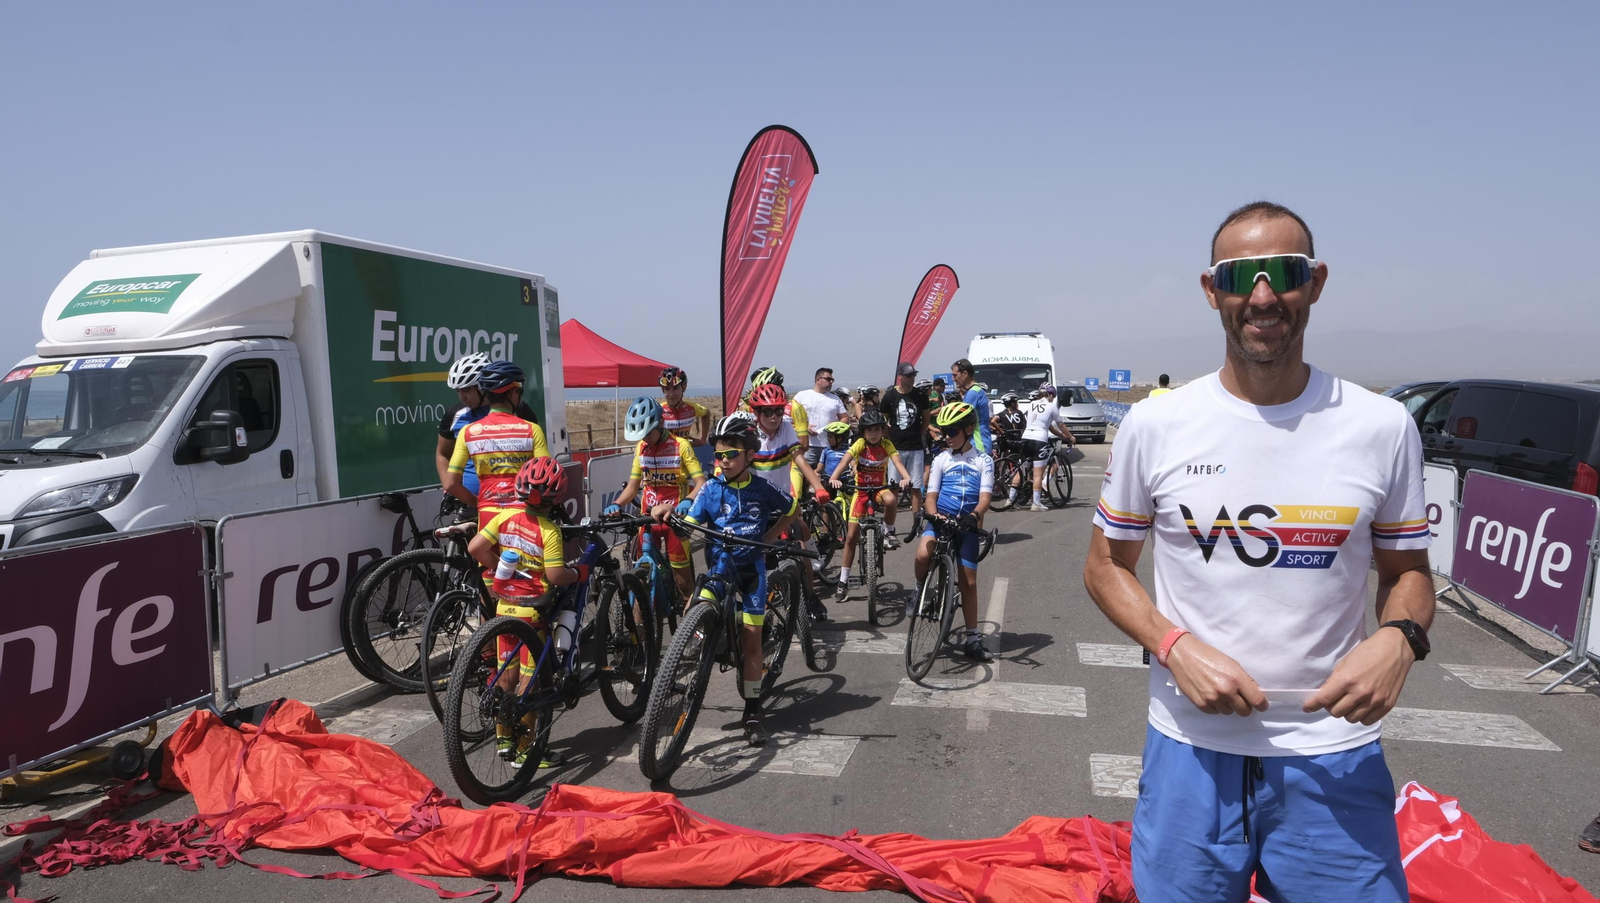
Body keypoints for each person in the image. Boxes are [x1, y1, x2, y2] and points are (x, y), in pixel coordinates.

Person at [1082, 201, 1433, 903]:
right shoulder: (1156, 424)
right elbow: (1104, 566)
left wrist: (1400, 638)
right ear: (1212, 290)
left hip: (1331, 755)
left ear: (1316, 282)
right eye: (1242, 276)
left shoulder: (1383, 426)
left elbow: (1409, 575)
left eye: (1285, 273)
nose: (1264, 296)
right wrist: (1173, 645)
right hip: (1189, 752)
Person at [681, 413, 801, 747]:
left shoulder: (762, 488)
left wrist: (769, 538)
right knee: (696, 605)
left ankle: (752, 712)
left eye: (731, 454)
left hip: (751, 572)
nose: (723, 460)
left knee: (752, 643)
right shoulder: (711, 488)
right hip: (719, 570)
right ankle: (694, 647)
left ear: (749, 454)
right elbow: (690, 525)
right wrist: (676, 521)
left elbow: (792, 509)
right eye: (718, 454)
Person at [467, 457, 580, 766]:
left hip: (504, 609)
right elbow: (556, 575)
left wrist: (504, 569)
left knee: (506, 678)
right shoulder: (550, 530)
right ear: (556, 497)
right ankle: (526, 750)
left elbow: (475, 548)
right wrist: (576, 574)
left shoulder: (505, 516)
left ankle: (504, 739)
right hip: (532, 615)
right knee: (530, 683)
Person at [916, 401, 995, 663]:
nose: (947, 437)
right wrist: (934, 514)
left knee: (969, 584)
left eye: (952, 431)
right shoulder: (941, 459)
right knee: (923, 555)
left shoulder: (984, 461)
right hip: (941, 519)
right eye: (944, 431)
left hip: (967, 525)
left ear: (968, 429)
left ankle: (973, 640)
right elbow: (931, 496)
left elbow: (985, 498)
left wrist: (975, 516)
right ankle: (919, 590)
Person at [605, 397, 706, 601]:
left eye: (648, 433)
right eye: (641, 435)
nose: (645, 439)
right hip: (648, 519)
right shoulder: (640, 448)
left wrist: (688, 500)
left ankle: (692, 617)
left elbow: (701, 483)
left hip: (674, 518)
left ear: (660, 423)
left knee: (683, 584)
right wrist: (617, 503)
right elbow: (633, 487)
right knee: (640, 582)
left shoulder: (681, 446)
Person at [748, 382, 830, 619]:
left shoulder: (786, 427)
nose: (774, 416)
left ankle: (810, 595)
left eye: (778, 410)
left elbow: (799, 459)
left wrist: (818, 487)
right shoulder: (749, 432)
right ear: (757, 412)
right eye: (767, 412)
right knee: (754, 550)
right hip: (756, 504)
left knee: (801, 542)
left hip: (782, 499)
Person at [444, 361, 550, 530]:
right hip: (523, 514)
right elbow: (545, 478)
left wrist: (478, 504)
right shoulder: (532, 429)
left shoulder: (467, 432)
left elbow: (450, 484)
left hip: (486, 512)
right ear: (514, 393)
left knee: (480, 545)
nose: (462, 396)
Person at [827, 408, 912, 593]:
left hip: (880, 489)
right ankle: (843, 581)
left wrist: (906, 477)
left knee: (891, 499)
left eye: (877, 430)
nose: (873, 434)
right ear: (863, 432)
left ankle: (888, 533)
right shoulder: (860, 444)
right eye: (869, 430)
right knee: (851, 537)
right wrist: (834, 477)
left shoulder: (887, 444)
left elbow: (897, 462)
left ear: (882, 431)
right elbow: (844, 462)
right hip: (861, 492)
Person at [880, 363, 932, 521]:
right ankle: (890, 525)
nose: (912, 378)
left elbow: (926, 419)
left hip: (916, 447)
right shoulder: (890, 396)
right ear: (900, 377)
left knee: (916, 486)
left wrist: (918, 434)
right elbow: (883, 421)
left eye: (913, 375)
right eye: (909, 375)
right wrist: (889, 436)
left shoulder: (920, 395)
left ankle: (916, 521)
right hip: (896, 448)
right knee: (894, 487)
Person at [1019, 383, 1073, 511]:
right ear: (1050, 395)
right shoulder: (1051, 406)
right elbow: (1061, 425)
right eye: (1053, 396)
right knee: (1038, 474)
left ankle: (1011, 499)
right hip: (1039, 439)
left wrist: (1062, 436)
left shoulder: (1032, 404)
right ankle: (1036, 503)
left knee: (1021, 469)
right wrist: (1070, 437)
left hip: (1026, 438)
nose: (1053, 399)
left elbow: (1049, 426)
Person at [792, 367, 847, 468]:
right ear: (818, 380)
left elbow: (844, 418)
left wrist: (834, 427)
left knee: (827, 474)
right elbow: (791, 416)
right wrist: (804, 427)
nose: (831, 382)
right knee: (805, 473)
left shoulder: (835, 399)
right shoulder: (802, 395)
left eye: (832, 380)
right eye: (828, 379)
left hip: (828, 446)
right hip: (807, 445)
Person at [951, 359, 993, 455]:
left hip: (978, 443)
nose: (953, 379)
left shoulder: (973, 393)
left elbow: (961, 418)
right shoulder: (975, 390)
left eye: (955, 375)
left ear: (964, 374)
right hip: (979, 442)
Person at [658, 366, 709, 444]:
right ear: (663, 390)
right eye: (667, 389)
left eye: (675, 388)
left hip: (685, 451)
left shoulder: (692, 408)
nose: (671, 394)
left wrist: (703, 439)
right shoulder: (658, 410)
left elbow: (706, 414)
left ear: (684, 388)